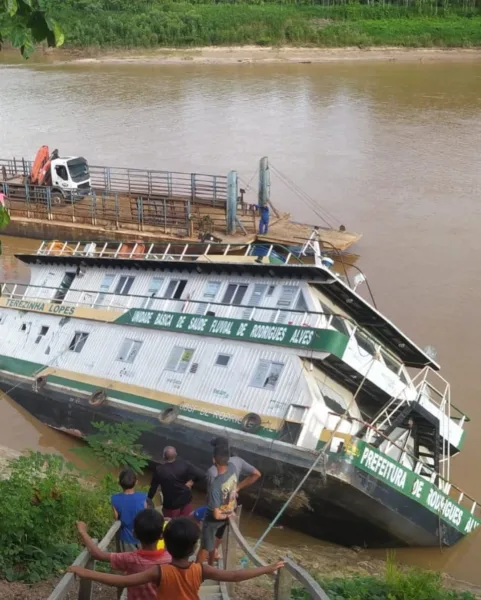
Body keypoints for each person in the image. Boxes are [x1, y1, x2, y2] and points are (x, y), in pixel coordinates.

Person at [69, 517, 284, 600]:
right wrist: (267, 568)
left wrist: (84, 571)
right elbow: (236, 575)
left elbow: (123, 581)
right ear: (194, 547)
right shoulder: (201, 569)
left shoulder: (160, 571)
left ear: (166, 544)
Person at [75, 510, 171, 600]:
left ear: (134, 534)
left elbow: (98, 554)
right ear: (161, 535)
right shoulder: (170, 559)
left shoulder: (130, 559)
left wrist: (82, 532)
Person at [206, 437, 262, 559]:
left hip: (217, 507)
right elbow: (257, 474)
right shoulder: (238, 461)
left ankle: (209, 558)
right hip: (231, 506)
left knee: (209, 532)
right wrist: (237, 488)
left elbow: (211, 494)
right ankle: (214, 552)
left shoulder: (213, 471)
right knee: (220, 532)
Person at [197, 445, 238, 565]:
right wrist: (231, 512)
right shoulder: (232, 468)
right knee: (214, 542)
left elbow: (216, 515)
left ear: (214, 459)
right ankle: (210, 565)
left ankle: (195, 572)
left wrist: (227, 515)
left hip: (214, 519)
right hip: (229, 509)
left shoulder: (215, 486)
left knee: (204, 547)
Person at [147, 446, 205, 518]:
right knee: (185, 522)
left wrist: (148, 500)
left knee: (171, 524)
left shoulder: (159, 470)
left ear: (163, 456)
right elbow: (202, 475)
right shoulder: (184, 464)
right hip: (185, 499)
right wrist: (192, 481)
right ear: (176, 454)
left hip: (171, 505)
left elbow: (153, 488)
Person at [112, 468, 148, 551]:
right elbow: (145, 515)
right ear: (136, 482)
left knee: (126, 561)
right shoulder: (143, 497)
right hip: (140, 536)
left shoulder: (115, 499)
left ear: (119, 483)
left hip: (125, 537)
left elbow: (116, 517)